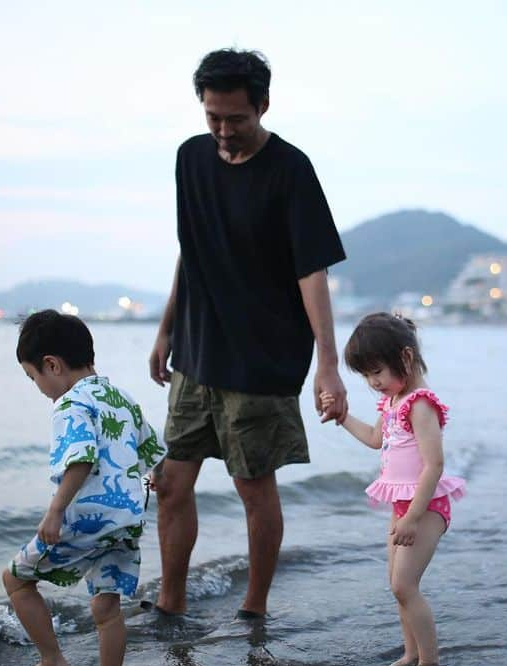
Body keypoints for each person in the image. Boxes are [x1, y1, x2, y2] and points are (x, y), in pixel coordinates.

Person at [148, 48, 348, 619]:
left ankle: (254, 606)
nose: (223, 129)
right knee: (170, 483)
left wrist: (327, 364)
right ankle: (170, 600)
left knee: (253, 489)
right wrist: (166, 330)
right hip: (197, 349)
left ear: (262, 105)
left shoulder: (291, 169)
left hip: (263, 358)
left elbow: (312, 270)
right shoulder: (190, 159)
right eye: (212, 116)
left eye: (235, 117)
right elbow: (193, 249)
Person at [3, 310, 166, 666]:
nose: (38, 387)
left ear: (52, 365)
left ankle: (52, 662)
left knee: (15, 580)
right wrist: (156, 478)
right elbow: (153, 450)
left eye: (33, 378)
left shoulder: (69, 404)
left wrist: (55, 510)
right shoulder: (120, 398)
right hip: (127, 519)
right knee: (106, 609)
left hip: (89, 517)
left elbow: (82, 457)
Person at [320, 313, 465, 666]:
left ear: (406, 358)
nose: (373, 382)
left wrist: (414, 517)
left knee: (405, 584)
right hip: (403, 506)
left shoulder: (420, 404)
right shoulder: (392, 403)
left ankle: (429, 663)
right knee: (396, 585)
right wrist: (342, 417)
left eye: (377, 372)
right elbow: (374, 439)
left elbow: (434, 465)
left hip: (426, 506)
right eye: (367, 375)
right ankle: (410, 654)